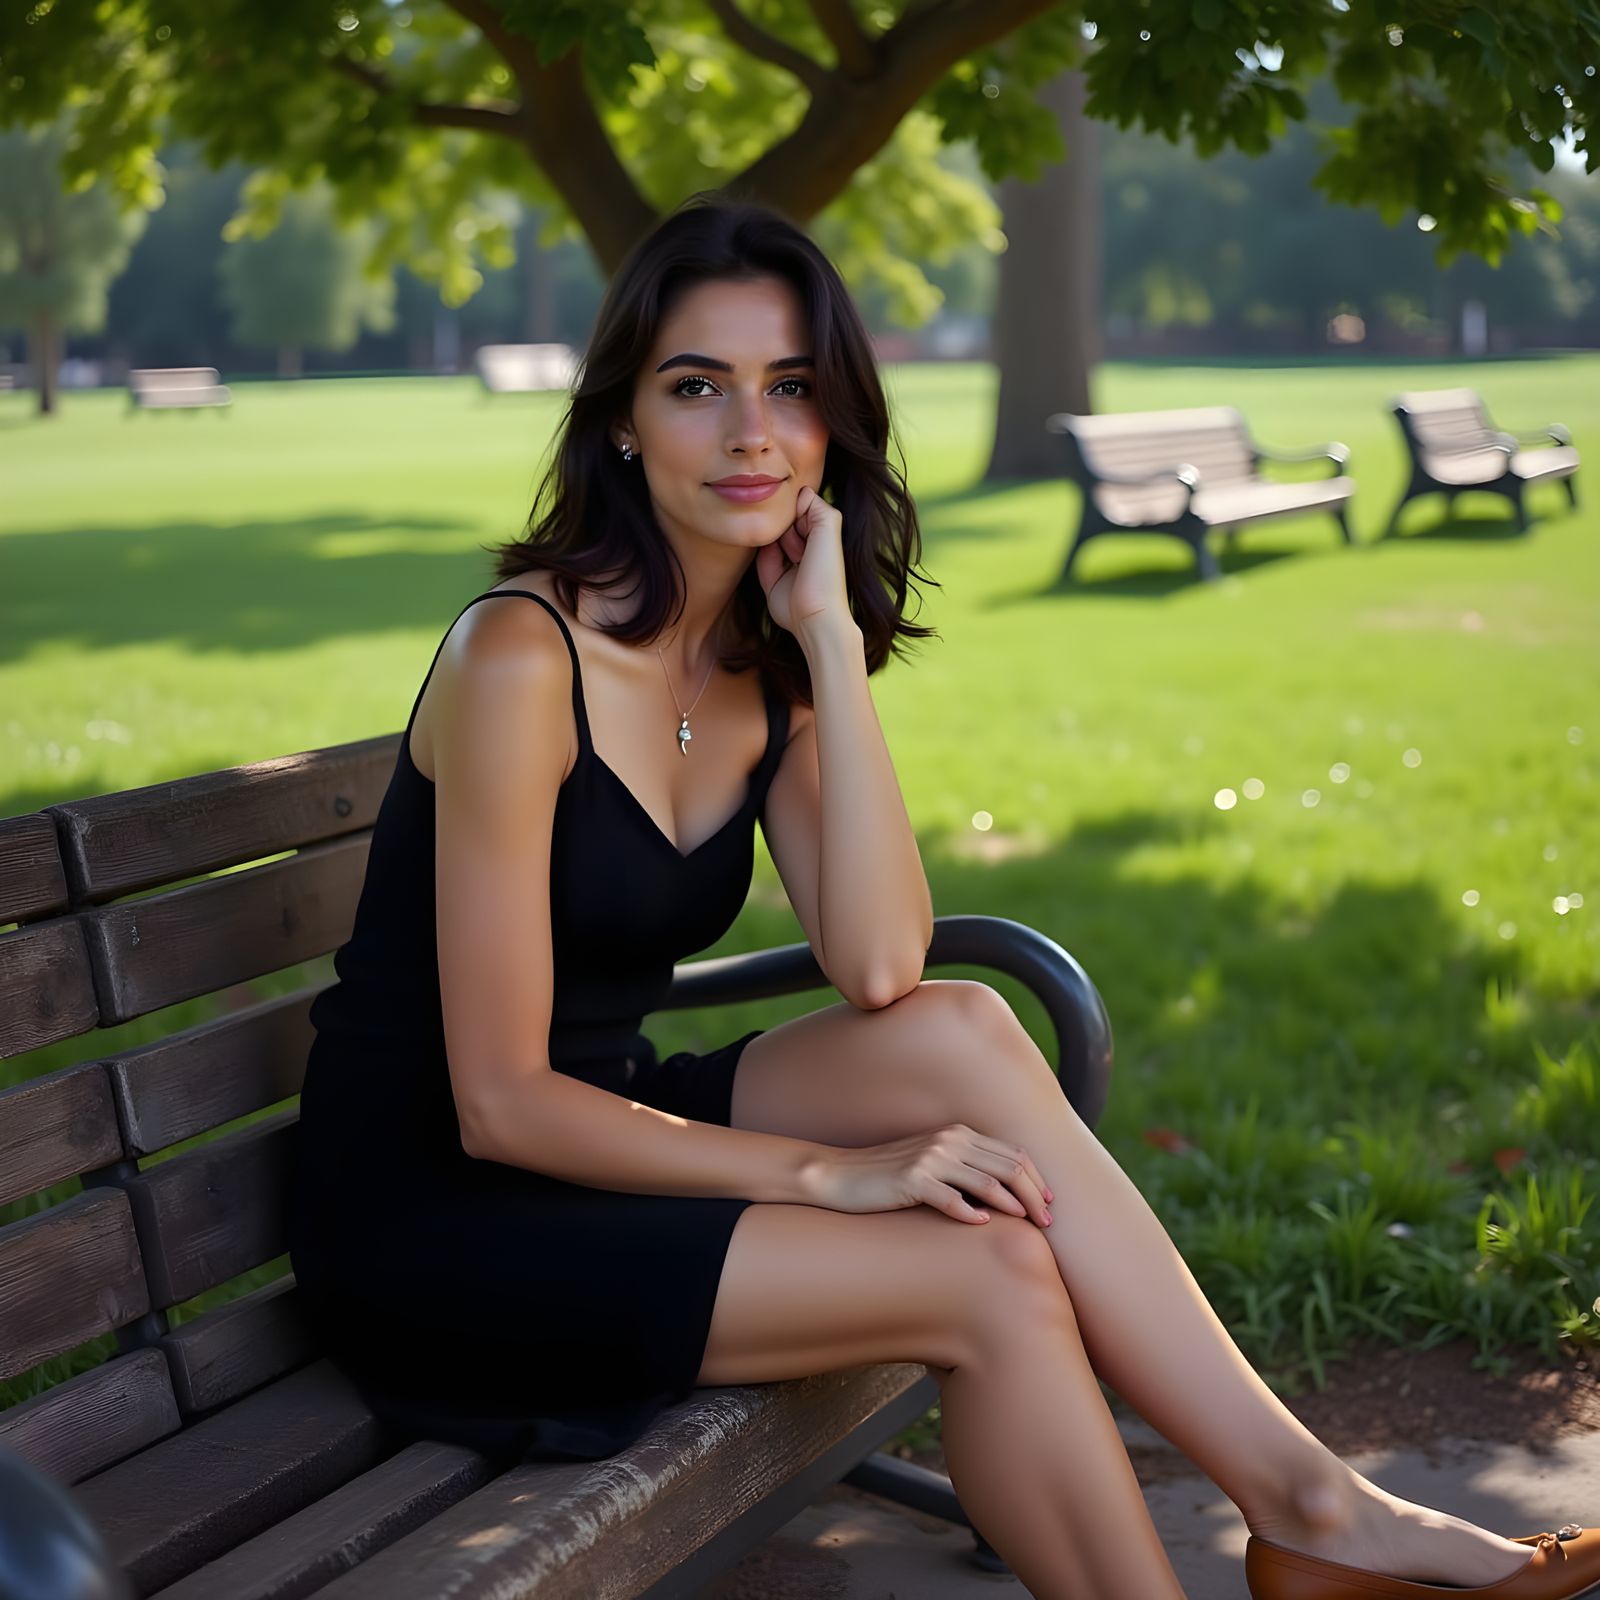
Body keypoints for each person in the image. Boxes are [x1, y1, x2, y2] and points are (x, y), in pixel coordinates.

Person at [286, 194, 1594, 1600]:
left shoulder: (764, 665)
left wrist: (832, 650)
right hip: (441, 1214)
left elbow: (880, 966)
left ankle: (1308, 1503)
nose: (750, 434)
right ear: (619, 420)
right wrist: (833, 1177)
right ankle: (1304, 1524)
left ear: (835, 421)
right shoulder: (519, 658)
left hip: (610, 1132)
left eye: (791, 388)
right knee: (992, 1276)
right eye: (695, 387)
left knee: (962, 1027)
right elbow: (499, 1101)